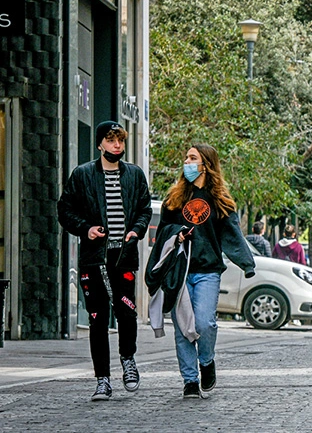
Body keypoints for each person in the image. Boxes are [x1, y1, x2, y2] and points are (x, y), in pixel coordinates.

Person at [146, 144, 256, 399]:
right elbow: (162, 233)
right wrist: (177, 234)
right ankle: (190, 381)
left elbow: (232, 234)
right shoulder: (174, 199)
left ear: (206, 165)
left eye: (193, 158)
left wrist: (247, 264)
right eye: (186, 157)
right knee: (183, 326)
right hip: (179, 272)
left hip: (208, 270)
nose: (187, 162)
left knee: (204, 323)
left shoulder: (219, 200)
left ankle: (206, 361)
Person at [57, 121, 152, 401]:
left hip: (123, 256)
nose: (117, 146)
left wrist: (136, 230)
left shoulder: (134, 175)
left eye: (120, 141)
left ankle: (128, 360)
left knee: (126, 311)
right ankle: (102, 379)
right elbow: (65, 210)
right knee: (97, 318)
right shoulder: (83, 175)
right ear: (100, 144)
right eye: (111, 141)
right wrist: (86, 229)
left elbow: (144, 209)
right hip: (94, 257)